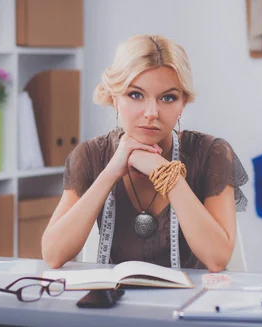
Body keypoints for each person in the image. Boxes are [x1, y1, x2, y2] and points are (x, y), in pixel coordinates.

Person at [42, 34, 248, 272]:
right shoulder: (89, 156)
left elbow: (216, 259)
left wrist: (166, 175)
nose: (151, 113)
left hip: (191, 304)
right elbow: (53, 255)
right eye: (136, 95)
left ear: (183, 103)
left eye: (168, 98)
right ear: (114, 98)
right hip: (116, 306)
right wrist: (110, 173)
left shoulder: (211, 153)